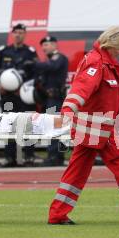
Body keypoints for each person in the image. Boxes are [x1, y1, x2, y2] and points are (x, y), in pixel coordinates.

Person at [48, 26, 119, 225]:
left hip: (99, 129)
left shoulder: (108, 64)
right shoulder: (97, 63)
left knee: (77, 173)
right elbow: (81, 88)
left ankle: (57, 215)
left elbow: (114, 98)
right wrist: (68, 108)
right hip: (96, 129)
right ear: (110, 45)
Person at [0, 23, 39, 167]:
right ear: (12, 34)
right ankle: (9, 157)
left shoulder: (30, 52)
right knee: (8, 124)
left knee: (27, 124)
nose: (18, 34)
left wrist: (24, 87)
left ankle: (29, 156)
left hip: (23, 96)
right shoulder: (3, 51)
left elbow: (36, 73)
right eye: (16, 32)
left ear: (25, 34)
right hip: (8, 96)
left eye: (21, 32)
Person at [35, 36, 68, 166]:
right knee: (52, 126)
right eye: (43, 45)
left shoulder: (59, 58)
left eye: (47, 44)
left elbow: (52, 67)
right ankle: (56, 156)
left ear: (54, 45)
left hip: (56, 99)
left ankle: (54, 156)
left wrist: (35, 64)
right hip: (48, 99)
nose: (44, 47)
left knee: (53, 127)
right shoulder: (47, 61)